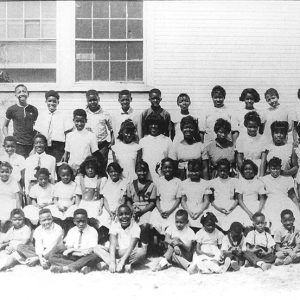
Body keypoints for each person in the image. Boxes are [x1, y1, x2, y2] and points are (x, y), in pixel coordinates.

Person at [93, 204, 146, 273]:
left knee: (142, 252)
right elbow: (112, 245)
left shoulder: (135, 227)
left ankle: (117, 264)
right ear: (117, 216)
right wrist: (112, 262)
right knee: (96, 248)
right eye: (121, 214)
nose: (124, 217)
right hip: (116, 252)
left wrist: (122, 260)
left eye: (127, 214)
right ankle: (120, 265)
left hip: (129, 252)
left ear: (131, 215)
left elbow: (131, 247)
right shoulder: (114, 226)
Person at [49, 209, 99, 274]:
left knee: (94, 256)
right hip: (73, 255)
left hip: (86, 256)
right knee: (54, 255)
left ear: (87, 220)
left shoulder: (93, 231)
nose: (81, 224)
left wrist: (73, 250)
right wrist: (74, 251)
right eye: (78, 221)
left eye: (83, 221)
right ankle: (80, 267)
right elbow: (68, 248)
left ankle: (66, 268)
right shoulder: (72, 231)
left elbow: (91, 249)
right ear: (74, 221)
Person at [260, 157, 300, 232]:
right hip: (271, 202)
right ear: (269, 169)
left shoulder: (287, 179)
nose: (275, 171)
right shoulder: (264, 179)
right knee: (273, 221)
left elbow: (293, 196)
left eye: (277, 169)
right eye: (273, 168)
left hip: (285, 201)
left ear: (281, 168)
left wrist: (298, 208)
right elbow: (262, 197)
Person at [34, 90, 73, 162]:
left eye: (54, 101)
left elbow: (68, 135)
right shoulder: (42, 115)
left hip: (58, 147)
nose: (52, 103)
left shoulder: (63, 116)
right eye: (49, 101)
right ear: (46, 101)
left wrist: (66, 152)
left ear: (58, 102)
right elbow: (38, 134)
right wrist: (34, 149)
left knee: (57, 165)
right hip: (44, 146)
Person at [124, 160, 156, 247]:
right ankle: (131, 246)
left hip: (146, 209)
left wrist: (142, 211)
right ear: (136, 171)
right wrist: (132, 209)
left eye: (144, 170)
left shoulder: (152, 185)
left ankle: (144, 245)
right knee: (131, 224)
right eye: (139, 170)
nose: (142, 173)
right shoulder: (131, 184)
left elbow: (152, 203)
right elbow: (128, 200)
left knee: (145, 225)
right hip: (133, 208)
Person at [2, 84, 38, 158]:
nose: (22, 93)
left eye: (24, 91)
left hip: (31, 145)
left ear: (28, 94)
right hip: (18, 145)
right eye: (19, 92)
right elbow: (5, 126)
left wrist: (34, 147)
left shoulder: (33, 109)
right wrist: (8, 138)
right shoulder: (11, 109)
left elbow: (37, 128)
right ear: (15, 94)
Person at [169, 116, 208, 180]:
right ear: (181, 129)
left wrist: (206, 185)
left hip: (198, 180)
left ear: (195, 129)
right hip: (181, 180)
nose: (188, 130)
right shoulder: (176, 147)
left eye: (191, 128)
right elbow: (173, 169)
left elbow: (205, 168)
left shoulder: (201, 146)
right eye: (185, 128)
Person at [150, 158, 181, 235]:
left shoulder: (178, 181)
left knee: (172, 222)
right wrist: (160, 211)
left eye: (170, 167)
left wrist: (170, 211)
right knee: (156, 221)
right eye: (165, 168)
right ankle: (159, 240)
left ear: (173, 169)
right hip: (161, 206)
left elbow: (178, 199)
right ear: (162, 169)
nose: (167, 170)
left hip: (173, 206)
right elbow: (157, 199)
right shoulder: (158, 181)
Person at [206, 159, 239, 231]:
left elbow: (237, 198)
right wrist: (217, 208)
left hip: (231, 205)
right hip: (217, 206)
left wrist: (232, 208)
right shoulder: (212, 182)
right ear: (217, 170)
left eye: (225, 171)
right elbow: (211, 200)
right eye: (220, 170)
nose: (223, 173)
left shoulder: (234, 181)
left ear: (229, 170)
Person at [138, 114, 172, 183]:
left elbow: (170, 162)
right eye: (151, 124)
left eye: (156, 124)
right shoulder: (143, 141)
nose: (153, 126)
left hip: (162, 178)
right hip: (147, 179)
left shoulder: (167, 140)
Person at [85, 89, 114, 170]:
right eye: (90, 100)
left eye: (95, 99)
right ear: (87, 101)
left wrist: (112, 141)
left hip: (102, 146)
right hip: (88, 146)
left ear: (99, 99)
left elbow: (112, 129)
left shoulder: (105, 113)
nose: (92, 102)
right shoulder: (84, 113)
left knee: (101, 168)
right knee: (89, 168)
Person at [63, 109, 98, 174]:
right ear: (73, 120)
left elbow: (94, 154)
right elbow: (66, 153)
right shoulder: (69, 135)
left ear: (86, 121)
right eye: (77, 121)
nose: (79, 124)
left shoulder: (91, 135)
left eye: (82, 121)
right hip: (72, 168)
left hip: (85, 169)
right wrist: (65, 165)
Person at [181, 159, 211, 232]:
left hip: (201, 207)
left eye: (196, 171)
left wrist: (200, 211)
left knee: (204, 219)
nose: (194, 173)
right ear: (188, 170)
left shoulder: (205, 183)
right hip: (188, 207)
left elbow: (206, 201)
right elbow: (183, 200)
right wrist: (188, 211)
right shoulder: (184, 183)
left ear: (200, 171)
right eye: (191, 171)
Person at [74, 156, 107, 220]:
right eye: (88, 168)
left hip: (96, 204)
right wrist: (77, 207)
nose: (90, 170)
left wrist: (100, 206)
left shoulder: (101, 179)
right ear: (84, 168)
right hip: (84, 204)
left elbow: (102, 196)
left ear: (96, 168)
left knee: (99, 219)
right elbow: (78, 196)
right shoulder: (81, 179)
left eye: (92, 168)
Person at [236, 160, 267, 227]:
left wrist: (259, 211)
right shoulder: (240, 183)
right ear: (242, 171)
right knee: (245, 224)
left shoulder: (259, 182)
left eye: (250, 169)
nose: (248, 171)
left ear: (254, 170)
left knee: (262, 221)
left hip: (257, 206)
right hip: (244, 207)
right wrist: (249, 213)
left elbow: (262, 199)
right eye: (245, 169)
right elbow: (240, 200)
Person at [236, 111, 267, 176]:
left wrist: (261, 176)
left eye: (255, 127)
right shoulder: (241, 139)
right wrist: (244, 175)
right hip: (244, 169)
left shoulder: (263, 138)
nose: (252, 129)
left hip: (258, 169)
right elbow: (239, 159)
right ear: (246, 125)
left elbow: (263, 161)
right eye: (250, 127)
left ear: (258, 126)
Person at [99, 162, 128, 229]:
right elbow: (105, 200)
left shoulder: (123, 183)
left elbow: (123, 199)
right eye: (111, 172)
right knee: (103, 223)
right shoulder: (107, 184)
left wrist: (117, 211)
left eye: (115, 171)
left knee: (117, 225)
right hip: (108, 209)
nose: (113, 173)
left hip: (119, 209)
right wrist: (110, 212)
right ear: (108, 173)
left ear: (119, 172)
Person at [0, 162, 22, 227]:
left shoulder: (13, 182)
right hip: (1, 201)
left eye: (7, 172)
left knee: (8, 217)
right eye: (2, 172)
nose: (4, 174)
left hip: (10, 202)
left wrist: (18, 210)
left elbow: (17, 197)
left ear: (10, 172)